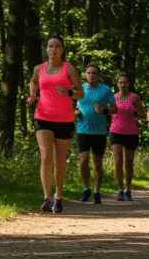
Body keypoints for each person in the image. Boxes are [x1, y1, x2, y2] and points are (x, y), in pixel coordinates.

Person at [27, 36, 84, 213]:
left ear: (62, 50)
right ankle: (46, 198)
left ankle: (58, 196)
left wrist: (68, 93)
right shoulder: (39, 68)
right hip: (42, 116)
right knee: (46, 157)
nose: (54, 49)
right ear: (47, 49)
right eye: (51, 46)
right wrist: (33, 94)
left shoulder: (69, 69)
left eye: (57, 46)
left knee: (60, 161)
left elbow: (81, 93)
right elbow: (33, 81)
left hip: (64, 119)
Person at [76, 63, 117, 205]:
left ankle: (96, 192)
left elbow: (114, 109)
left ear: (98, 75)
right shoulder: (79, 89)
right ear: (85, 74)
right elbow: (76, 106)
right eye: (89, 73)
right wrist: (76, 112)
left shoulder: (106, 89)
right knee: (83, 160)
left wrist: (104, 111)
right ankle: (86, 188)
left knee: (97, 163)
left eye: (94, 73)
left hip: (99, 131)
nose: (91, 75)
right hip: (82, 130)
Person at [110, 73, 143, 201]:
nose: (123, 84)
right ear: (117, 84)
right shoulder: (113, 97)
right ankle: (120, 190)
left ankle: (128, 189)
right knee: (118, 162)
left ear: (129, 84)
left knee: (128, 163)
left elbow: (143, 114)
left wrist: (134, 113)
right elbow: (110, 112)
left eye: (125, 82)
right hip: (116, 131)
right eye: (120, 82)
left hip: (131, 133)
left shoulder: (134, 97)